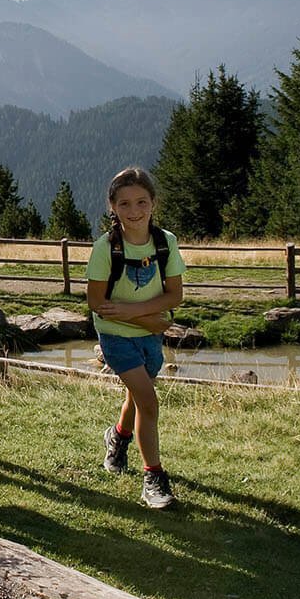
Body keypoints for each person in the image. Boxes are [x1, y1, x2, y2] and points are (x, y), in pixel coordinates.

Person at [85, 166, 186, 509]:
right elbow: (97, 303)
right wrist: (144, 318)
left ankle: (119, 437)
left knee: (136, 394)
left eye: (142, 202)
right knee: (148, 400)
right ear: (112, 207)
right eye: (125, 204)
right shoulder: (106, 248)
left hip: (149, 335)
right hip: (115, 335)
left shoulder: (165, 243)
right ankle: (153, 478)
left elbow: (175, 296)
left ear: (154, 203)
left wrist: (133, 314)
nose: (134, 211)